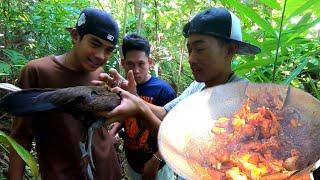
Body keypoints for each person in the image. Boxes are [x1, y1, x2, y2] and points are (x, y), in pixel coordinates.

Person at [8, 8, 122, 179]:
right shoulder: (38, 71)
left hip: (106, 169)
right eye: (95, 44)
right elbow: (21, 134)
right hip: (62, 173)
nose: (101, 55)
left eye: (108, 50)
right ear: (76, 36)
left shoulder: (99, 73)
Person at [108, 34, 176, 180]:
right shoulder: (124, 87)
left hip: (158, 168)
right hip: (133, 162)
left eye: (141, 64)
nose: (136, 70)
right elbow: (127, 115)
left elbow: (173, 133)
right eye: (130, 64)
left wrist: (155, 161)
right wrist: (113, 131)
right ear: (122, 63)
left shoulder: (163, 90)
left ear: (150, 62)